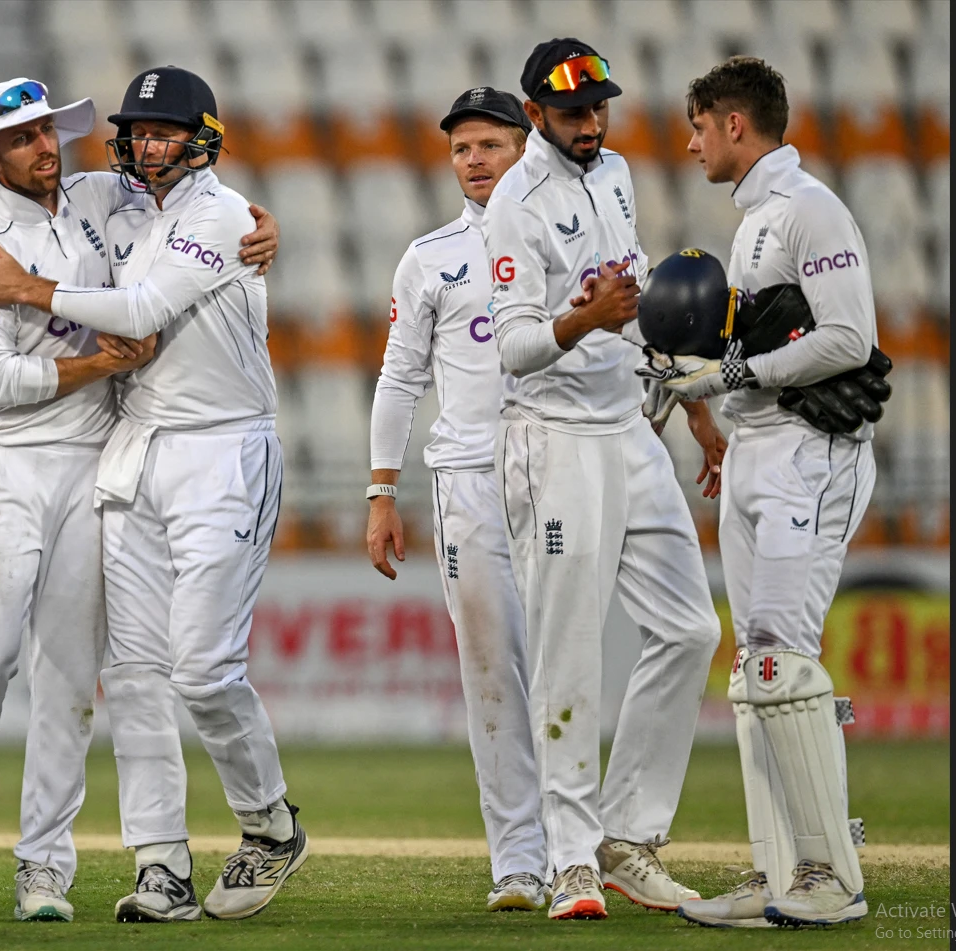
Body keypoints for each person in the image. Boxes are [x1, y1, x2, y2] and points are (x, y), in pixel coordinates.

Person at [0, 78, 280, 922]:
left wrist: (263, 223)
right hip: (4, 463)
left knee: (73, 672)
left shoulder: (99, 194)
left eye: (47, 131)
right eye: (21, 138)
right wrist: (100, 367)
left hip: (96, 459)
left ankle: (44, 863)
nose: (45, 147)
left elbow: (196, 198)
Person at [480, 38, 724, 920]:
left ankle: (624, 835)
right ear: (534, 112)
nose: (589, 124)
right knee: (568, 648)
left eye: (597, 108)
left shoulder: (614, 173)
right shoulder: (514, 202)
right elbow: (512, 349)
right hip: (553, 439)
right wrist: (581, 319)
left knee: (691, 629)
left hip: (627, 421)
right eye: (571, 112)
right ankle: (569, 859)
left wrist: (690, 404)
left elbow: (637, 310)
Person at [657, 56, 876, 929]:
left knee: (781, 659)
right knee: (755, 668)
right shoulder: (754, 219)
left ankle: (830, 876)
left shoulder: (809, 207)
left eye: (699, 126)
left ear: (734, 125)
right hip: (756, 448)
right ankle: (776, 866)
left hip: (810, 454)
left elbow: (852, 336)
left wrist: (729, 372)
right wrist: (701, 374)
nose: (690, 142)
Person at [365, 87, 548, 913]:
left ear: (524, 146)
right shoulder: (429, 255)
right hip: (467, 478)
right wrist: (380, 490)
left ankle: (581, 851)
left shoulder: (562, 229)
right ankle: (519, 860)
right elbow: (399, 375)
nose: (472, 161)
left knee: (562, 663)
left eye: (489, 145)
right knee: (490, 670)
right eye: (460, 148)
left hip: (556, 465)